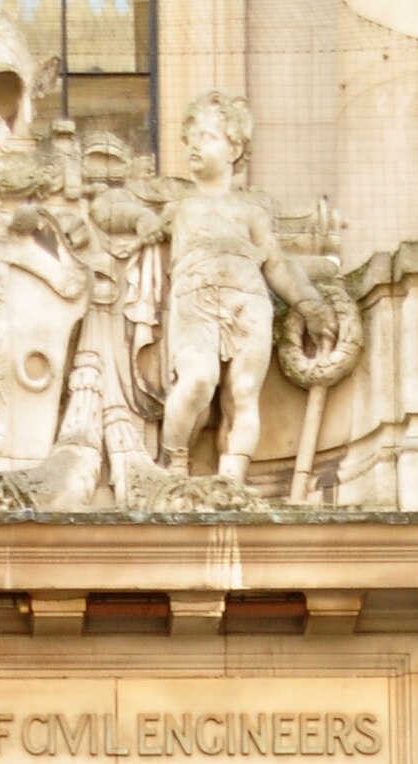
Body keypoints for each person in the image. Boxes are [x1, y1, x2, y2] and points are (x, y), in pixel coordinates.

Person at [157, 91, 335, 489]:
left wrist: (309, 304)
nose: (195, 145)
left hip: (248, 300)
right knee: (198, 379)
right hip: (196, 299)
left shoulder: (251, 209)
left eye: (208, 136)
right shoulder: (177, 205)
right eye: (192, 138)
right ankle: (176, 461)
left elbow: (276, 264)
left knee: (243, 392)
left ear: (235, 148)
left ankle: (232, 477)